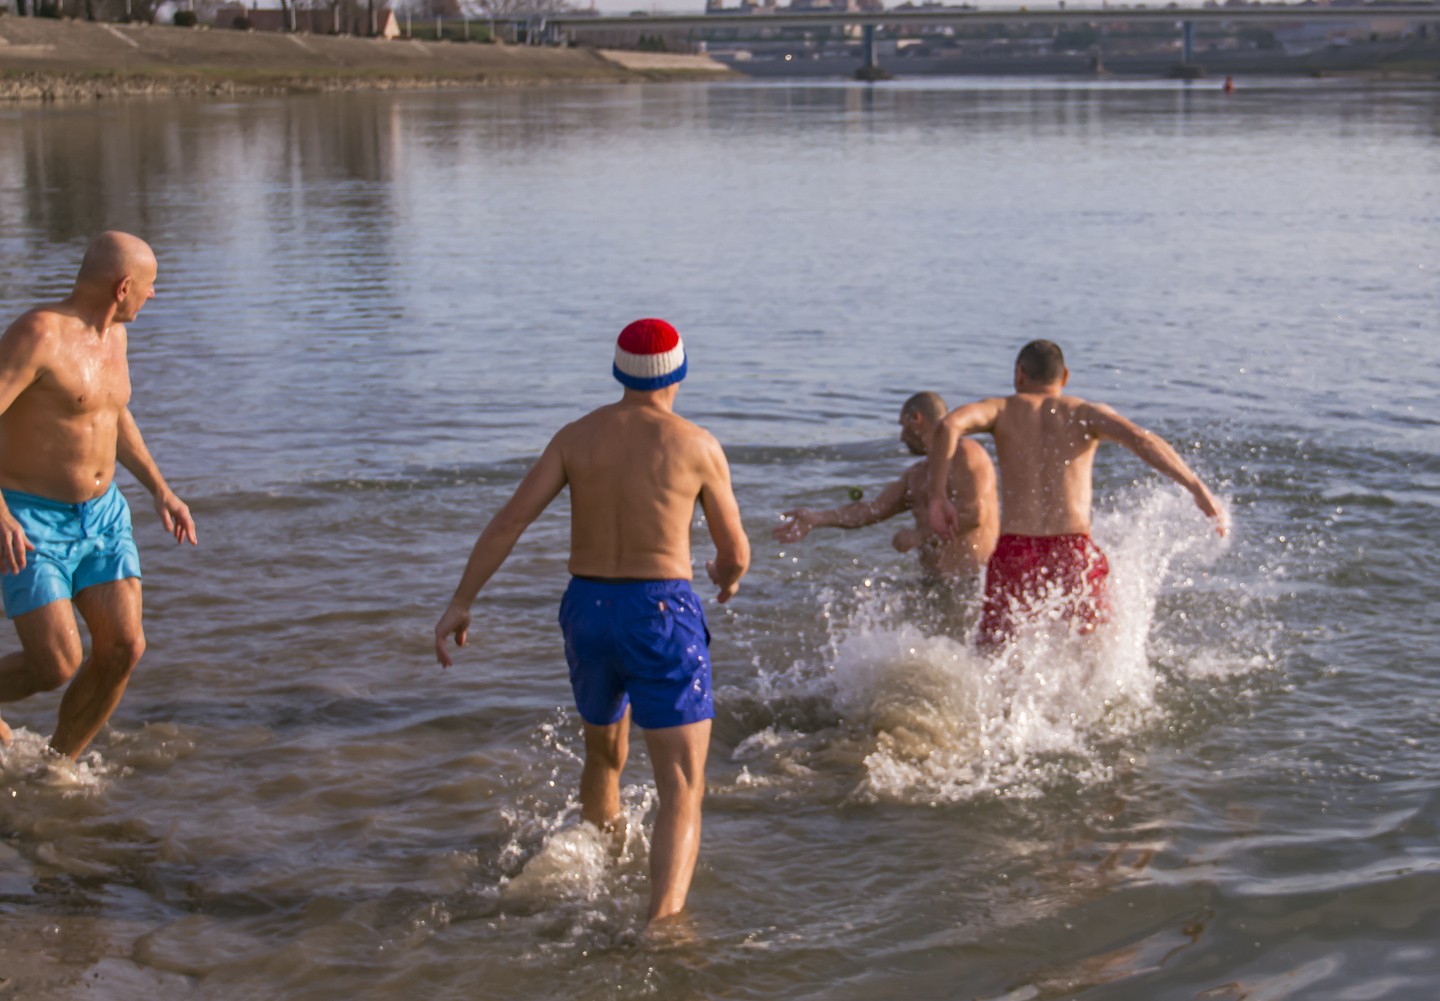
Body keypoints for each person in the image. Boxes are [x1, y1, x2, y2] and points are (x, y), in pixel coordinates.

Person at [434, 319, 749, 927]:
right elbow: (733, 551)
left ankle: (594, 874)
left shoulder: (575, 438)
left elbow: (509, 522)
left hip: (586, 611)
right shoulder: (696, 445)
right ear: (679, 372)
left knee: (604, 754)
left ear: (618, 370)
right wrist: (729, 577)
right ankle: (663, 927)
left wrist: (461, 600)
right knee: (681, 784)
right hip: (659, 611)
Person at [0, 232, 197, 757]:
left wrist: (160, 489)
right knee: (56, 664)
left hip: (103, 516)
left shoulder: (115, 338)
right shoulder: (39, 333)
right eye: (149, 287)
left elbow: (111, 414)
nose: (151, 297)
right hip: (30, 518)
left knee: (124, 648)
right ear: (123, 286)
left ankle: (56, 766)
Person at [926, 340, 1225, 648]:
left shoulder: (1001, 410)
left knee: (994, 654)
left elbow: (948, 425)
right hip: (1072, 553)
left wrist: (938, 496)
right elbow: (1139, 438)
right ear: (1064, 376)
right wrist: (1195, 487)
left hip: (1016, 551)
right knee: (1093, 651)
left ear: (1019, 374)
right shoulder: (1084, 413)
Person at [772, 392, 998, 582]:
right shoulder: (916, 475)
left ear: (916, 419)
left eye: (903, 425)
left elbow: (974, 514)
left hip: (973, 584)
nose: (901, 436)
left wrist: (919, 536)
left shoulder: (965, 453)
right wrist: (816, 518)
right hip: (933, 586)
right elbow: (871, 510)